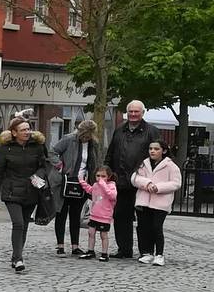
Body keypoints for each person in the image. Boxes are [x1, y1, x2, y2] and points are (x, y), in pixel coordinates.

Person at [0, 117, 50, 274]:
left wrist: (38, 175)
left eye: (28, 129)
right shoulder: (5, 148)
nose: (27, 132)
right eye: (23, 130)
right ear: (14, 133)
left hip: (31, 192)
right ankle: (18, 259)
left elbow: (44, 166)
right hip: (11, 192)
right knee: (18, 223)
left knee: (25, 225)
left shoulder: (37, 146)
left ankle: (16, 256)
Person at [104, 101, 161, 258]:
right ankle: (124, 249)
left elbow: (158, 154)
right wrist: (107, 173)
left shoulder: (151, 131)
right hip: (121, 181)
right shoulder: (119, 130)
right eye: (131, 111)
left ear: (143, 113)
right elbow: (111, 153)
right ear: (127, 112)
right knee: (121, 217)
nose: (133, 114)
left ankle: (146, 251)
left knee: (144, 219)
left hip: (142, 182)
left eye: (136, 112)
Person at [49, 119, 97, 255]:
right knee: (61, 213)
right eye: (84, 134)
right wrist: (59, 165)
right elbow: (52, 152)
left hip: (82, 183)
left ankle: (75, 246)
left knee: (76, 215)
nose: (85, 137)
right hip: (65, 182)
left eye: (88, 135)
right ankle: (60, 246)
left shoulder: (93, 144)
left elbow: (93, 163)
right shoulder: (69, 139)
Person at [132, 139, 181, 266]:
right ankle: (146, 253)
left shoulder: (170, 166)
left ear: (163, 151)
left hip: (160, 202)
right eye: (151, 149)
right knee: (143, 227)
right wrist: (147, 183)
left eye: (156, 149)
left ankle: (159, 254)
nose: (152, 151)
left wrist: (158, 187)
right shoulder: (144, 163)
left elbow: (176, 183)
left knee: (156, 227)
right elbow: (135, 178)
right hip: (144, 200)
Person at [78, 165, 117, 262]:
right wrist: (83, 182)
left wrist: (103, 185)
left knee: (103, 235)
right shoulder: (96, 185)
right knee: (91, 233)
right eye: (98, 176)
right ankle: (90, 251)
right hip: (94, 215)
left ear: (109, 176)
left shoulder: (111, 186)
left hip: (105, 216)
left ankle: (104, 253)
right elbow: (90, 190)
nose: (100, 178)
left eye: (103, 176)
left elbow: (112, 196)